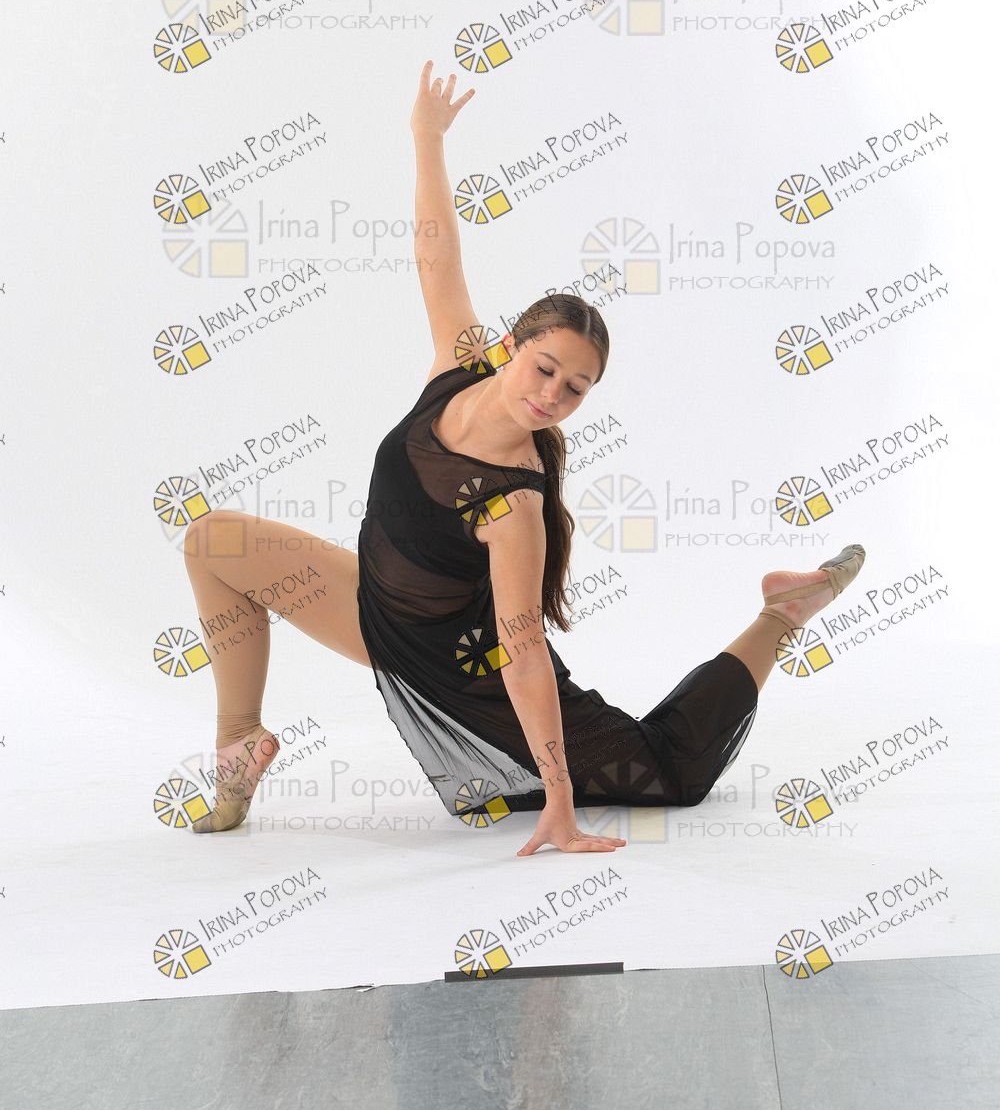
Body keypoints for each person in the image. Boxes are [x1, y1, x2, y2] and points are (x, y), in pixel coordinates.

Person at [181, 60, 866, 855]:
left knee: (669, 772)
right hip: (373, 602)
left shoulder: (514, 504)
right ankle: (238, 740)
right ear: (509, 346)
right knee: (210, 540)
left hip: (460, 670)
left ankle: (779, 614)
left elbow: (525, 652)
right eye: (545, 369)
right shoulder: (458, 365)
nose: (552, 395)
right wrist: (426, 138)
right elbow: (436, 253)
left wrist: (561, 799)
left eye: (576, 388)